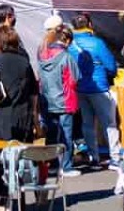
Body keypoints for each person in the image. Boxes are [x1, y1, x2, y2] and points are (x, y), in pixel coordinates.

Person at [70, 12, 121, 169]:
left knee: (87, 124)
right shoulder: (97, 43)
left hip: (80, 88)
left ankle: (93, 157)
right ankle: (115, 158)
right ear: (89, 25)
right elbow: (111, 66)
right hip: (99, 87)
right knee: (109, 124)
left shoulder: (70, 45)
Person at [0, 26, 37, 142]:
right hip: (23, 118)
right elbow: (33, 91)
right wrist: (35, 117)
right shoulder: (24, 61)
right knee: (21, 155)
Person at [37, 20, 81, 176]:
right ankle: (66, 166)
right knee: (66, 135)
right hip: (65, 100)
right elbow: (74, 79)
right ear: (66, 40)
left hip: (47, 99)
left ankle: (52, 164)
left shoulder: (42, 53)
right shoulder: (66, 56)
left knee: (51, 134)